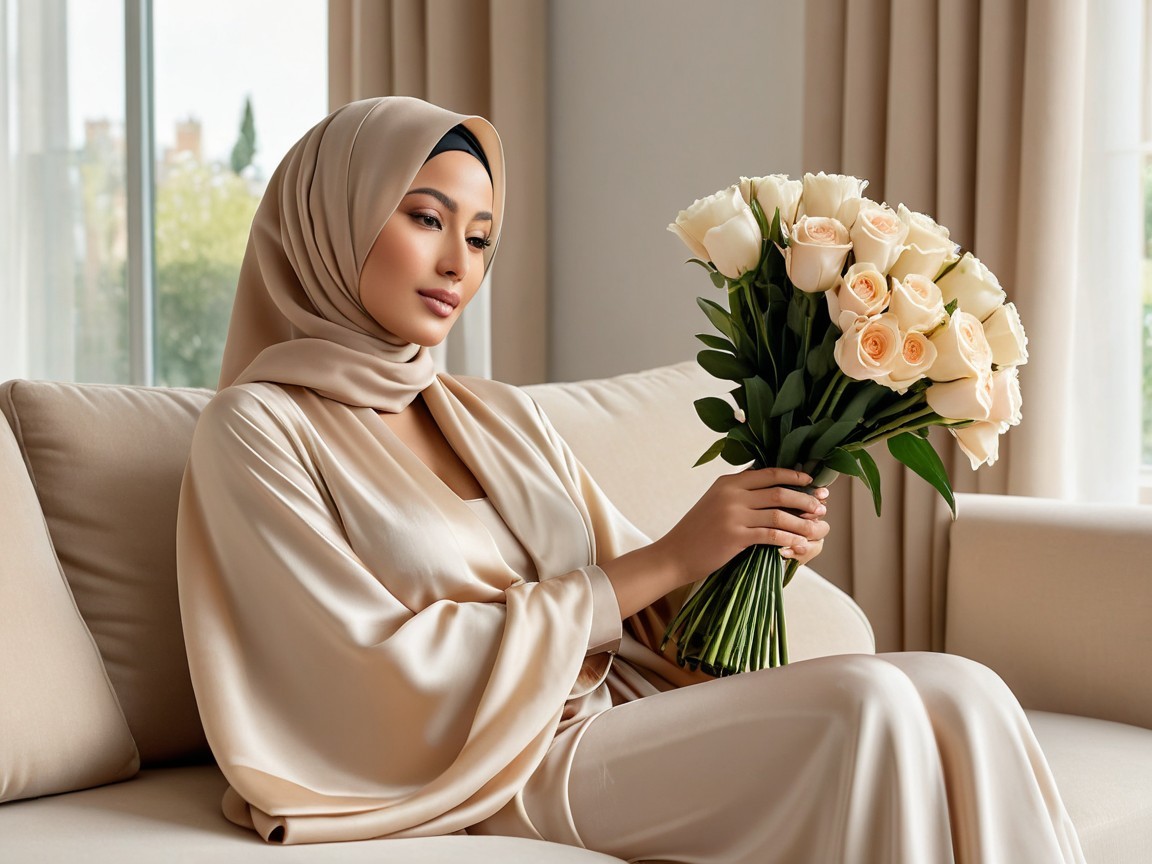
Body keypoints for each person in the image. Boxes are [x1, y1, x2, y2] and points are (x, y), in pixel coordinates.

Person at [176, 96, 1084, 863]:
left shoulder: (492, 413)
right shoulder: (257, 429)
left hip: (620, 710)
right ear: (330, 219)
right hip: (498, 761)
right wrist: (662, 560)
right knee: (867, 704)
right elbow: (356, 680)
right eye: (426, 218)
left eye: (482, 237)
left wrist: (744, 546)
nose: (461, 265)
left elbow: (655, 622)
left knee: (964, 689)